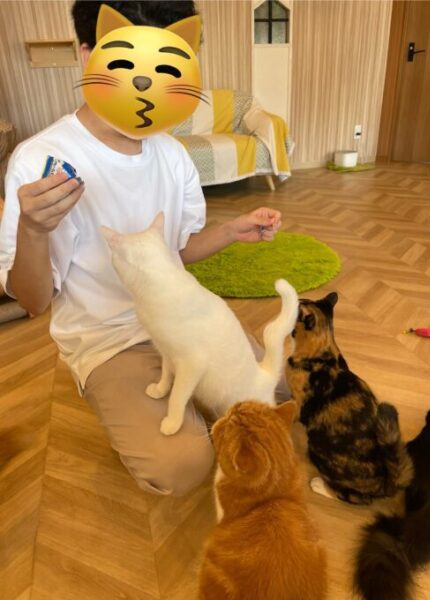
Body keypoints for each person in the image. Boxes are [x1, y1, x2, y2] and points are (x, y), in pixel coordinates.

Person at [0, 1, 283, 496]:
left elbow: (178, 252)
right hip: (109, 339)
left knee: (277, 394)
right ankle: (113, 395)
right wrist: (33, 230)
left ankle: (169, 402)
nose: (147, 84)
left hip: (185, 317)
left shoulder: (172, 153)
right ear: (87, 54)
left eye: (167, 67)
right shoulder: (41, 159)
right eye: (127, 63)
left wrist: (230, 230)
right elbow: (33, 301)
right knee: (182, 466)